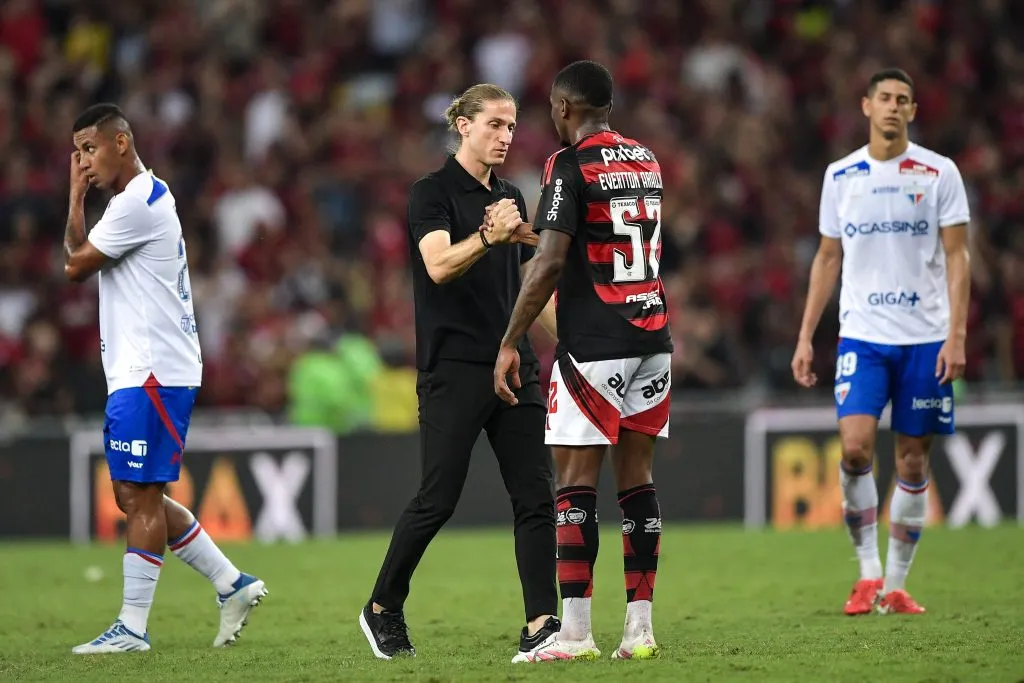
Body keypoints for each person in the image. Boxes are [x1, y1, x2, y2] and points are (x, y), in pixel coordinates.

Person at [358, 84, 562, 663]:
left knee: (535, 496)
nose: (505, 136)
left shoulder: (513, 195)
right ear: (463, 126)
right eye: (495, 124)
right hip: (454, 369)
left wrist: (571, 342)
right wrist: (488, 235)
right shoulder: (433, 193)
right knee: (438, 497)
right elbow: (438, 264)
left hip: (514, 363)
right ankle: (381, 608)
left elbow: (531, 287)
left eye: (512, 126)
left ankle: (540, 623)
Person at [64, 104, 267, 654]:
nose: (83, 160)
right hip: (142, 367)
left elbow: (75, 265)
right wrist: (81, 199)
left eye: (90, 147)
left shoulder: (136, 203)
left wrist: (75, 197)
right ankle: (233, 584)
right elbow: (78, 257)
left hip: (152, 369)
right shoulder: (141, 198)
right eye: (77, 151)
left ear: (121, 142)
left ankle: (131, 627)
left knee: (140, 496)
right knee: (136, 494)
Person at [493, 60, 672, 661]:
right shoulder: (645, 159)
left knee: (573, 484)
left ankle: (572, 635)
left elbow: (549, 265)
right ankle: (640, 631)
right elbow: (599, 240)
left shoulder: (568, 164)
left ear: (565, 108)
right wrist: (536, 235)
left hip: (595, 344)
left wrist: (510, 340)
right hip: (653, 336)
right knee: (638, 481)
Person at [791, 68, 971, 616]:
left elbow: (959, 256)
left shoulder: (939, 172)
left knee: (913, 464)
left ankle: (895, 584)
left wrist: (957, 334)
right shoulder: (841, 176)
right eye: (885, 98)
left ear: (913, 112)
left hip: (925, 337)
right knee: (853, 450)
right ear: (866, 105)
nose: (893, 107)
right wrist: (804, 336)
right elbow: (827, 257)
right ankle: (867, 573)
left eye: (903, 100)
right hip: (862, 337)